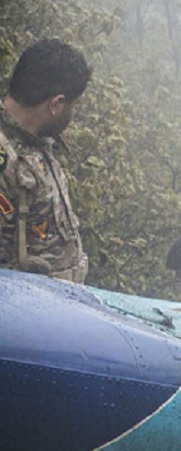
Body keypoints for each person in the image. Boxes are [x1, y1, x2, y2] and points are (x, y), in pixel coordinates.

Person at [0, 39, 92, 282]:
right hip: (21, 311)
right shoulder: (5, 159)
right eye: (74, 105)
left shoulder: (38, 140)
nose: (74, 114)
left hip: (59, 306)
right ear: (56, 104)